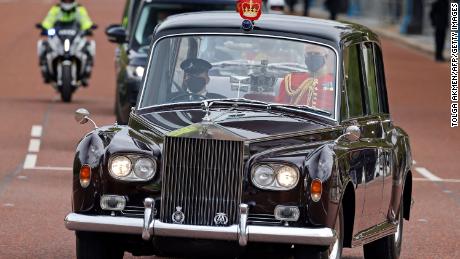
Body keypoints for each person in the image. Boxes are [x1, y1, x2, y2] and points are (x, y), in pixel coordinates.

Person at [38, 0, 95, 85]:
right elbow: (48, 20)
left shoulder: (79, 9)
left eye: (69, 0)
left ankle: (86, 71)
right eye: (65, 0)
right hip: (59, 35)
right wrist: (45, 27)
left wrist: (88, 28)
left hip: (73, 35)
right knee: (43, 45)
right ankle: (45, 69)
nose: (67, 3)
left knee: (89, 46)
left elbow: (85, 20)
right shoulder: (56, 9)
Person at [276, 45, 335, 113]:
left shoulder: (335, 82)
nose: (312, 57)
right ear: (305, 57)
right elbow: (280, 109)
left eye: (317, 54)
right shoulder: (290, 80)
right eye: (309, 54)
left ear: (326, 57)